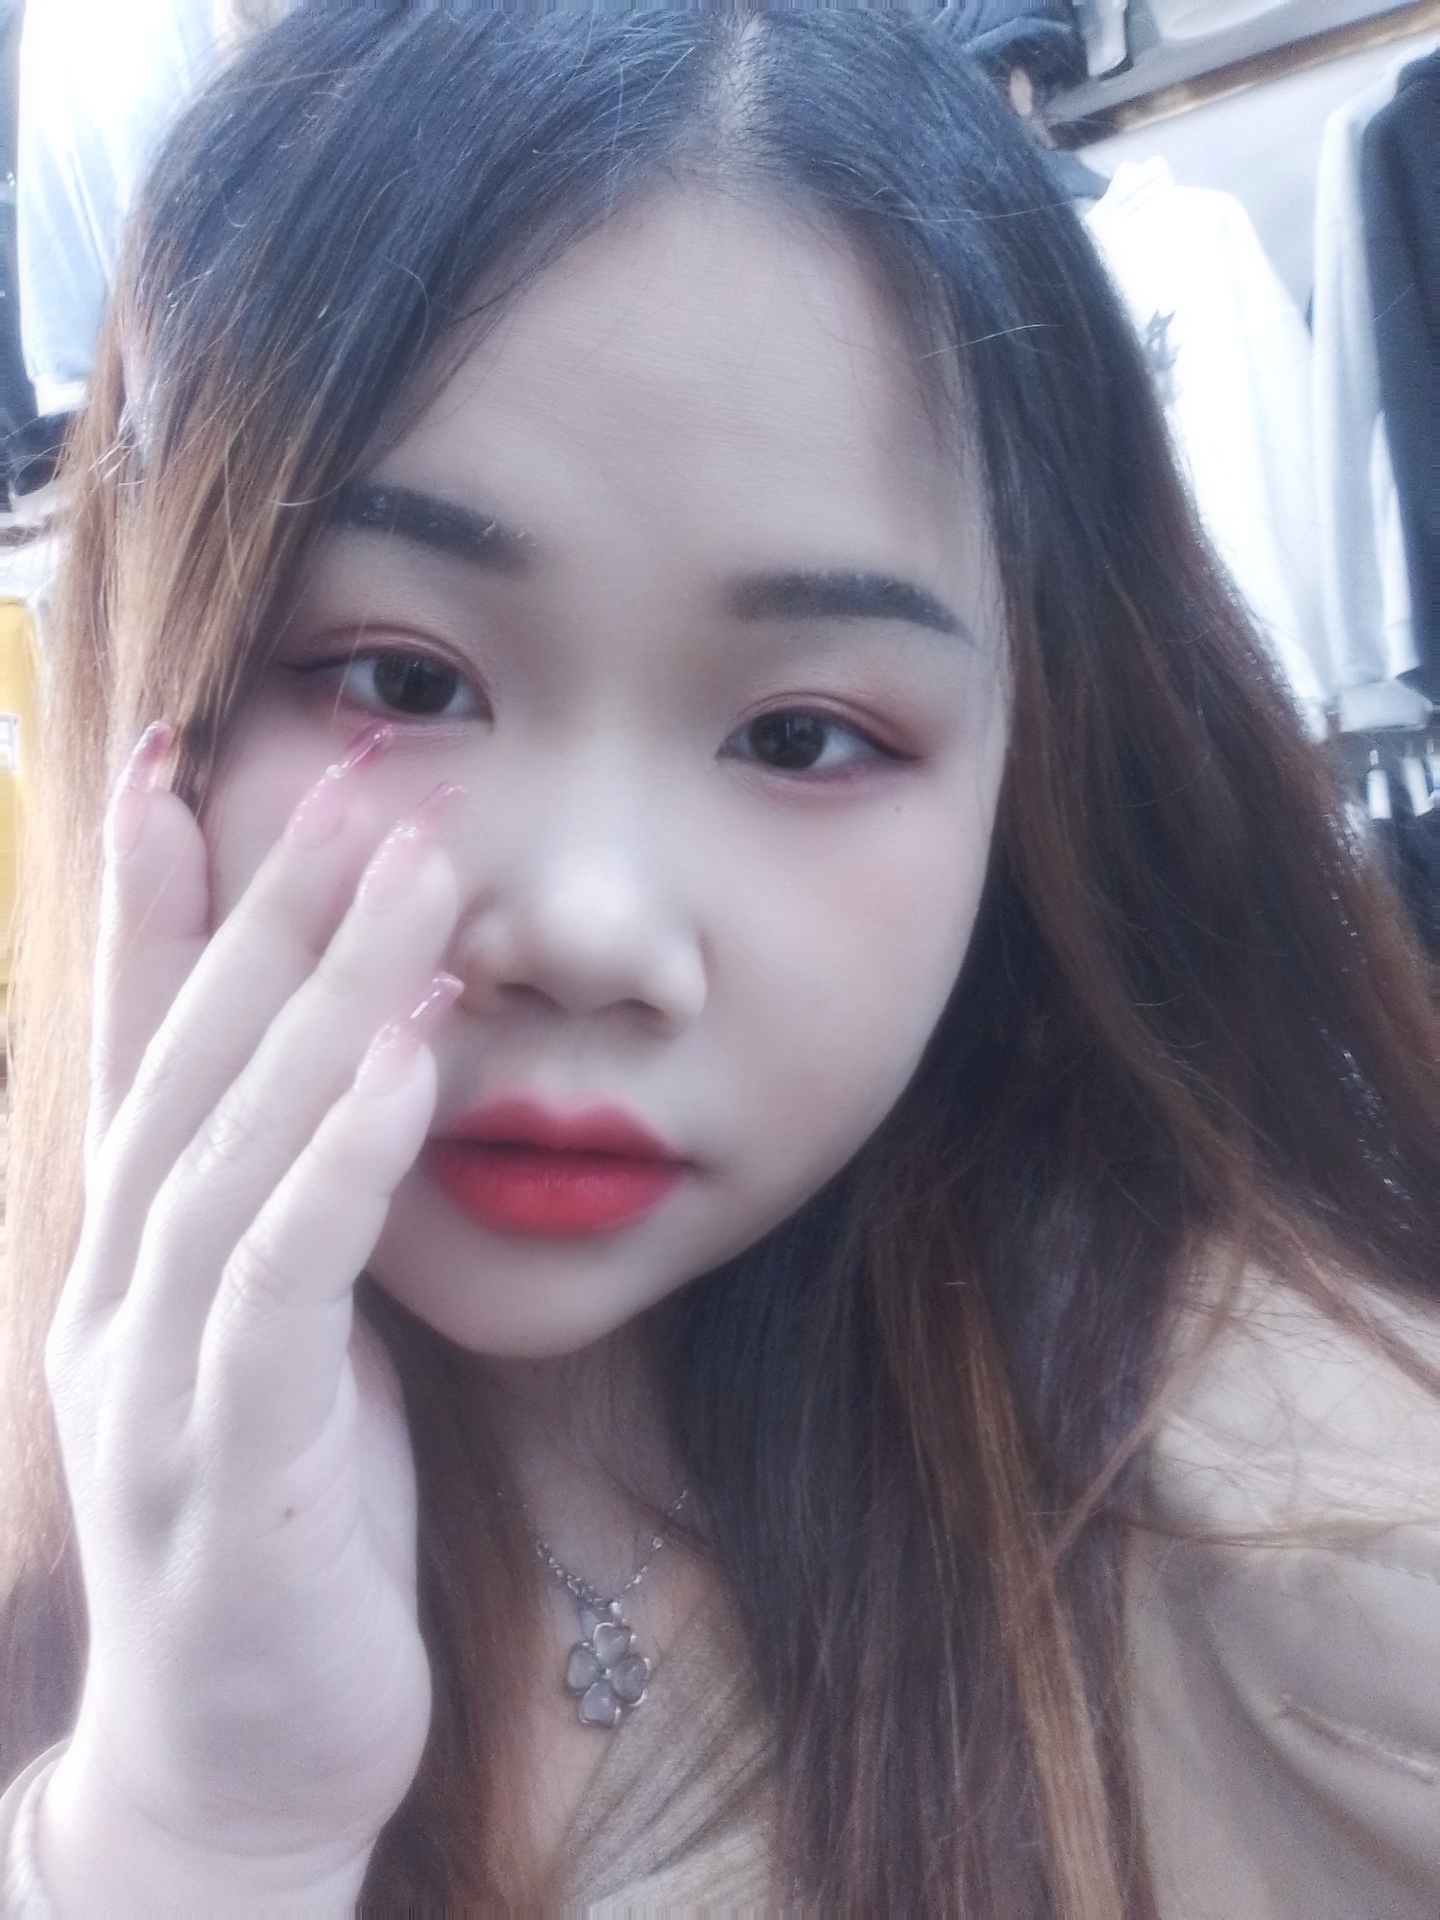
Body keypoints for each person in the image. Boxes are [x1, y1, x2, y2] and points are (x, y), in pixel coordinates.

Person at [0, 11, 1436, 1913]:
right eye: (404, 680)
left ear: (1033, 769)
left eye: (801, 734)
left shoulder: (1336, 1587)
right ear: (146, 670)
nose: (591, 935)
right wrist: (186, 1827)